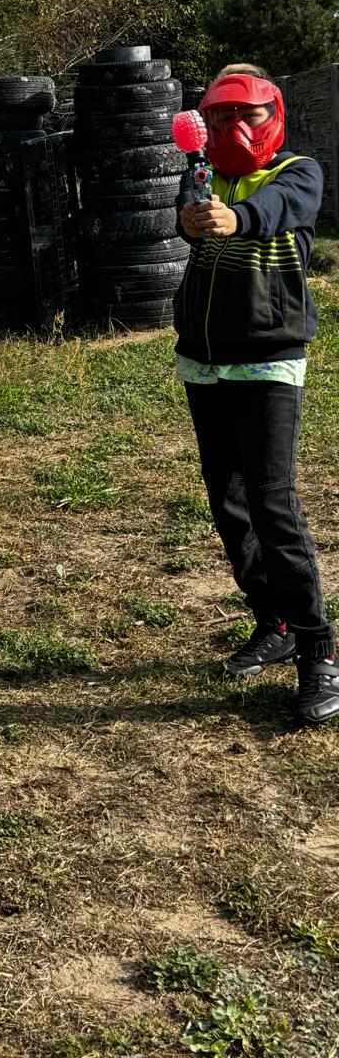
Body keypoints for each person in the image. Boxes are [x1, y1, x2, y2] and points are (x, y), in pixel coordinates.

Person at [175, 63, 337, 726]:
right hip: (203, 363)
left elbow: (277, 211)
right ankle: (273, 621)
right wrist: (192, 219)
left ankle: (319, 651)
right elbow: (187, 225)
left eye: (248, 114)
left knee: (274, 505)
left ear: (273, 115)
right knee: (229, 504)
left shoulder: (299, 171)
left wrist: (234, 218)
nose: (235, 127)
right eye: (222, 116)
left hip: (269, 360)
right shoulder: (200, 174)